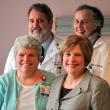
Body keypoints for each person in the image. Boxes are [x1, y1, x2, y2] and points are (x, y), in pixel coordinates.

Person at [46, 35, 110, 110]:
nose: (72, 59)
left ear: (86, 58)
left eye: (77, 55)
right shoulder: (55, 82)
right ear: (62, 57)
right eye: (68, 54)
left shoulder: (98, 86)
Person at [4, 3, 63, 76]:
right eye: (32, 21)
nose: (35, 25)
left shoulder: (65, 47)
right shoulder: (16, 49)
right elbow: (6, 80)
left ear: (51, 23)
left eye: (40, 21)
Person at [0, 35, 56, 110]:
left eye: (31, 55)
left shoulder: (52, 80)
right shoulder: (4, 81)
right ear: (15, 58)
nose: (26, 59)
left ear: (39, 58)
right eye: (21, 55)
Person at [73, 4, 110, 84]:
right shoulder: (70, 47)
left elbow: (106, 85)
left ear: (96, 25)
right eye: (76, 21)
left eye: (84, 22)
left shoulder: (106, 50)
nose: (79, 26)